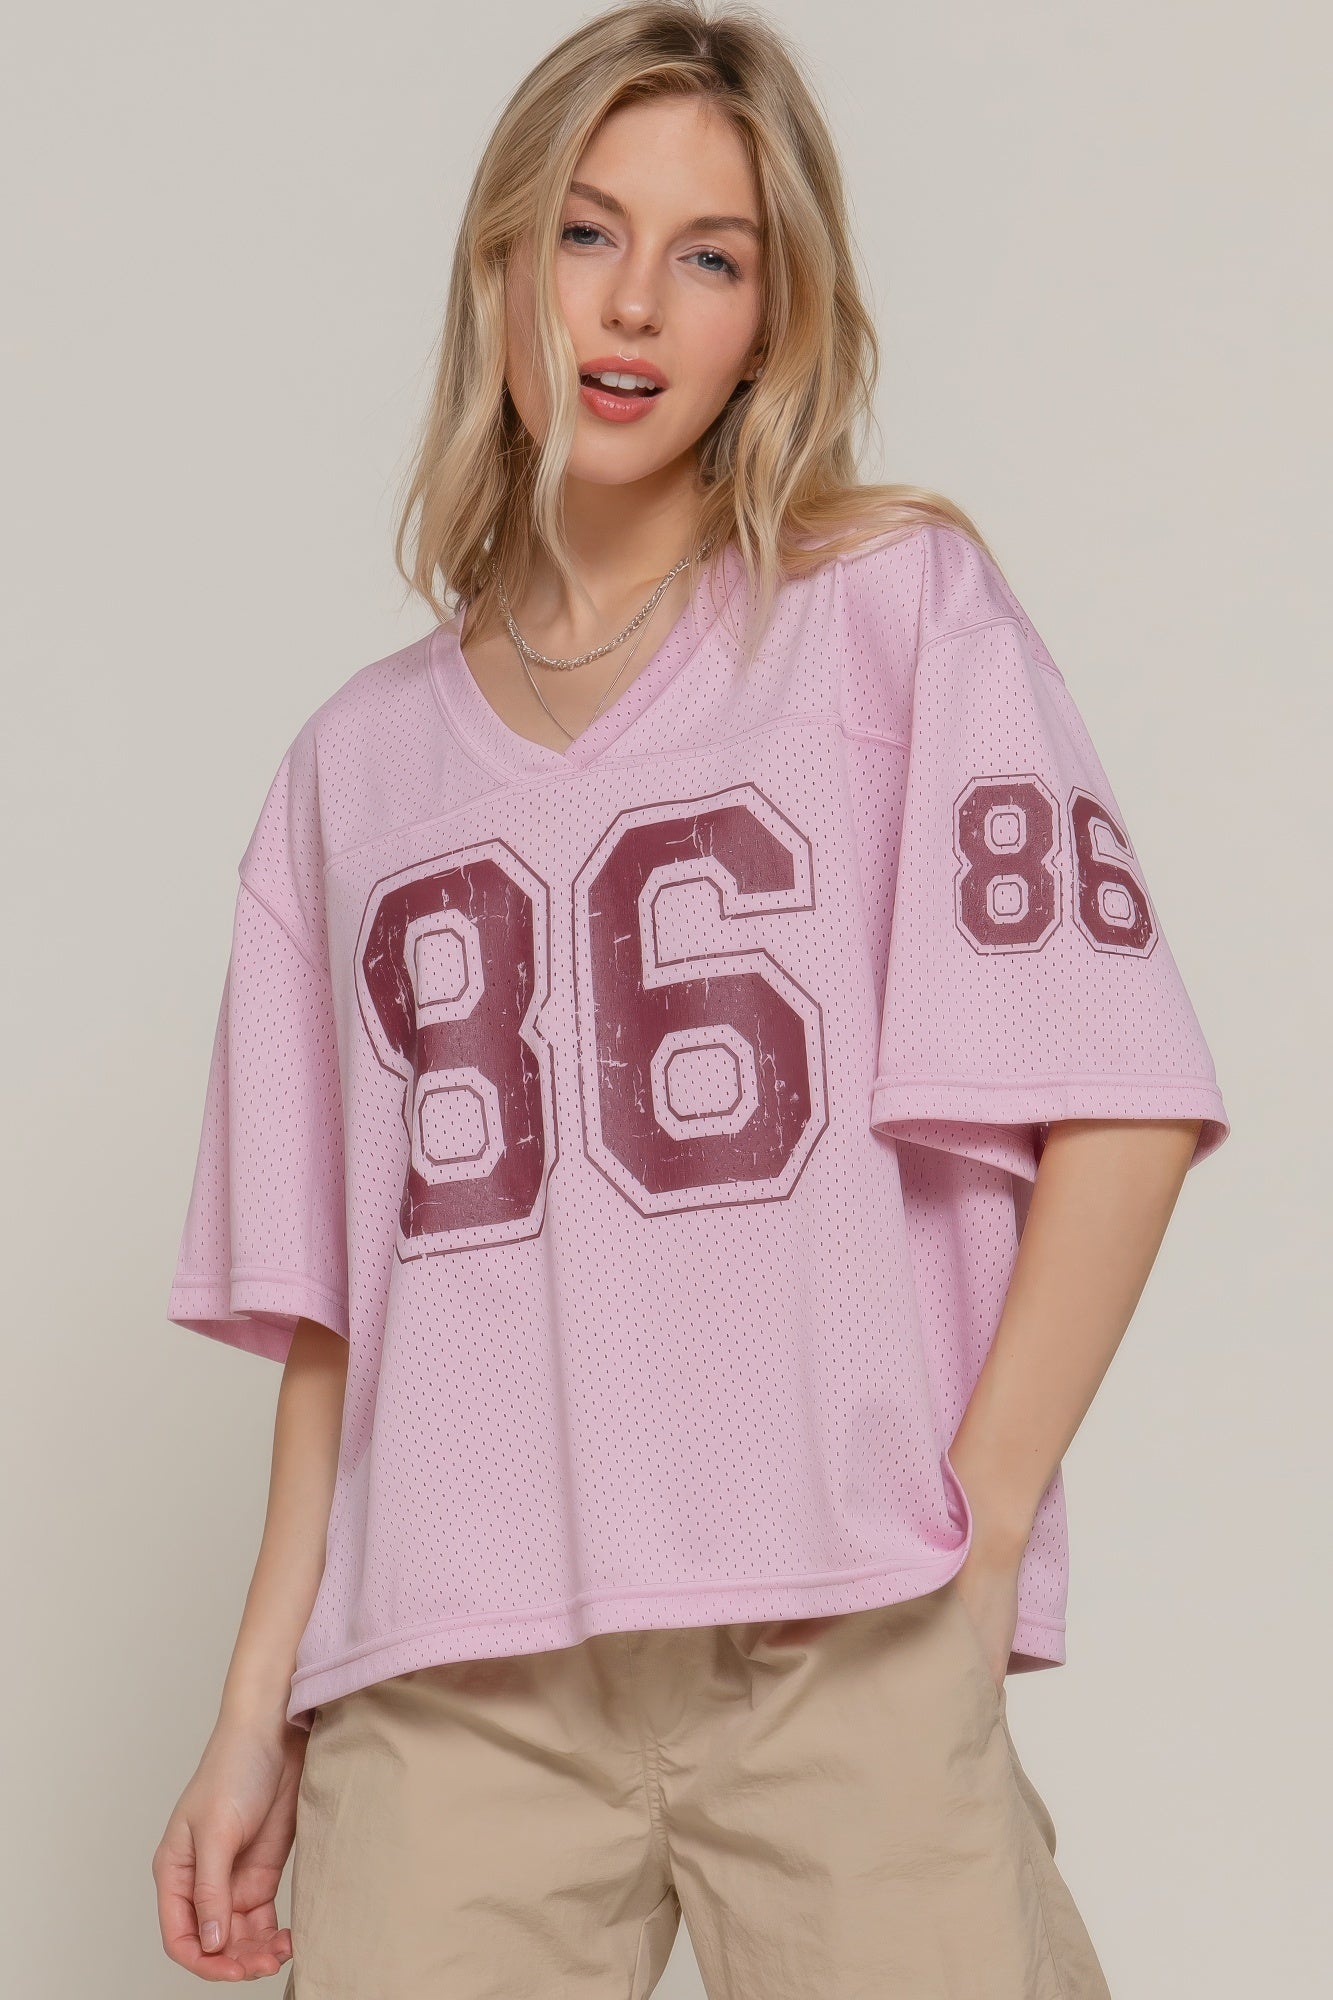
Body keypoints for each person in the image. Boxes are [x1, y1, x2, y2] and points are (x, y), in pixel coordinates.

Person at [151, 4, 1231, 1993]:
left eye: (710, 255)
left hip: (838, 1636)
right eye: (585, 231)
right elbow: (335, 1312)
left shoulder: (894, 615)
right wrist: (252, 1706)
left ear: (771, 320)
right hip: (454, 1680)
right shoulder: (347, 773)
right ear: (499, 262)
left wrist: (973, 1540)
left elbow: (1123, 1098)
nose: (633, 302)